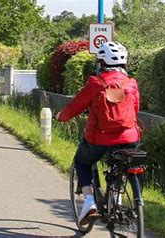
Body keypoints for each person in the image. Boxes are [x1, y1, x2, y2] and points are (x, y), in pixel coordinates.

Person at [56, 42, 141, 226]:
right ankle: (117, 200)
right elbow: (136, 109)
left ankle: (89, 203)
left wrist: (61, 117)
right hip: (129, 138)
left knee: (82, 161)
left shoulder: (96, 83)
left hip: (99, 137)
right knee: (123, 166)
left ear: (101, 63)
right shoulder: (131, 83)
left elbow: (75, 106)